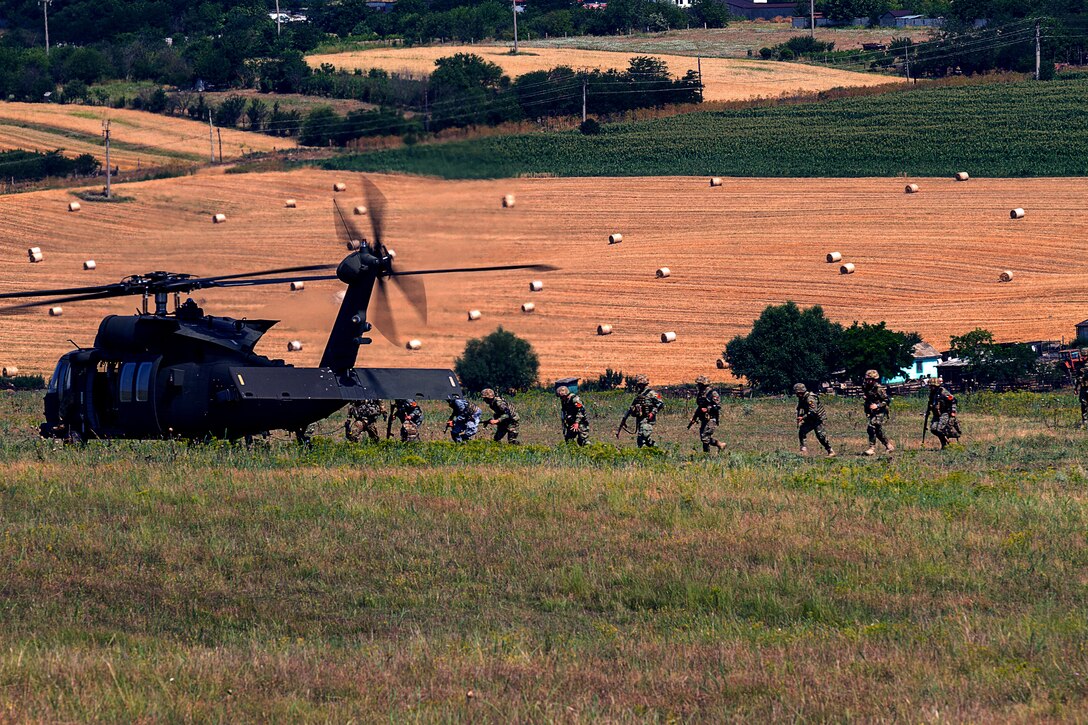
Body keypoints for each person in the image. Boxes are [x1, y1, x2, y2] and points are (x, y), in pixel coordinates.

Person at [619, 374, 665, 448]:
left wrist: (652, 413)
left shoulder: (652, 393)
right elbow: (631, 407)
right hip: (640, 419)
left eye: (640, 384)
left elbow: (661, 403)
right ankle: (656, 450)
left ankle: (641, 454)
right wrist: (624, 419)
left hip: (648, 419)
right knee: (646, 439)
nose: (638, 386)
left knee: (641, 438)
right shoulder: (639, 395)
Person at [794, 383, 835, 457]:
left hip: (817, 419)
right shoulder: (802, 398)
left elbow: (813, 411)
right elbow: (800, 407)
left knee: (821, 436)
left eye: (797, 393)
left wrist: (802, 418)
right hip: (810, 418)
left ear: (800, 392)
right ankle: (803, 450)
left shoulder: (810, 398)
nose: (796, 394)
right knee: (802, 431)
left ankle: (830, 450)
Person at [861, 369, 894, 456]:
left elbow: (887, 400)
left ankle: (872, 448)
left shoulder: (879, 389)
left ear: (874, 379)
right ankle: (888, 446)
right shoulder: (866, 387)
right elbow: (868, 396)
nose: (868, 381)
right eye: (867, 379)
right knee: (878, 431)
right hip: (871, 411)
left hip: (880, 411)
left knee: (871, 427)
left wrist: (877, 405)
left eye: (870, 379)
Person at [690, 375, 726, 453]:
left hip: (711, 418)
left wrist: (708, 409)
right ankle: (708, 452)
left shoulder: (712, 393)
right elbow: (700, 407)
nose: (698, 386)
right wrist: (694, 418)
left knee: (705, 437)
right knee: (704, 437)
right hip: (703, 418)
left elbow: (718, 406)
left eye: (699, 384)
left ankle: (718, 446)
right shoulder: (700, 393)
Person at [926, 377, 960, 449]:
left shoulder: (944, 392)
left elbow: (953, 401)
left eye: (932, 386)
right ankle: (945, 442)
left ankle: (946, 443)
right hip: (936, 413)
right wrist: (928, 411)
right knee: (933, 429)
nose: (930, 387)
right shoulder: (932, 394)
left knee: (939, 429)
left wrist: (953, 411)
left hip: (945, 413)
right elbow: (930, 403)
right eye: (930, 386)